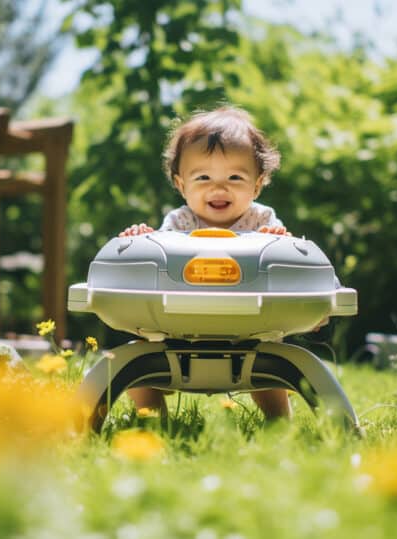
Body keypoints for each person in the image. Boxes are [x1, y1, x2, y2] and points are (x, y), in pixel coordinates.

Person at [119, 105, 295, 420]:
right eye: (203, 177)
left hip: (250, 330)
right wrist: (142, 241)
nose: (218, 187)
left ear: (257, 185)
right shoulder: (179, 221)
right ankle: (153, 418)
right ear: (180, 184)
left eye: (235, 177)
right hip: (180, 329)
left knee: (271, 372)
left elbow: (287, 266)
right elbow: (158, 265)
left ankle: (280, 423)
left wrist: (278, 241)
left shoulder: (263, 220)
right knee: (135, 361)